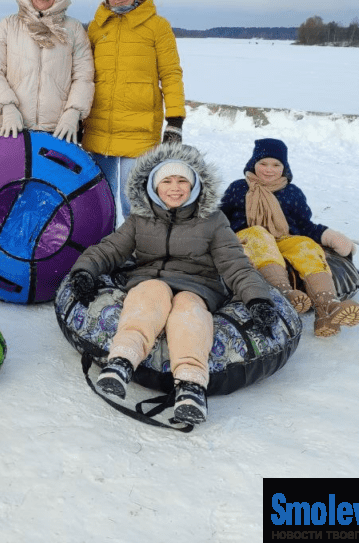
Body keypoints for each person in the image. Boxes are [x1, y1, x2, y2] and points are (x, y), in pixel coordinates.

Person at [66, 143, 277, 425]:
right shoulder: (141, 218)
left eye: (182, 181)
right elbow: (110, 249)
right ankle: (122, 360)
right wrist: (84, 271)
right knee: (149, 294)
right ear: (154, 185)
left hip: (197, 285)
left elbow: (235, 264)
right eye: (167, 181)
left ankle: (191, 385)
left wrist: (258, 299)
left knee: (188, 309)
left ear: (195, 185)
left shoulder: (213, 221)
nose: (175, 188)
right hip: (150, 279)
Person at [219, 138, 359, 337]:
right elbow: (221, 217)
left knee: (305, 244)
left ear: (284, 167)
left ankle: (327, 307)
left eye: (276, 165)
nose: (269, 170)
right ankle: (284, 293)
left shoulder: (292, 193)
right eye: (263, 163)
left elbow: (305, 225)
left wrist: (330, 236)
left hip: (283, 238)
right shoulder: (238, 188)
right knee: (259, 234)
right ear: (253, 164)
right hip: (249, 237)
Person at [82, 0, 186, 219]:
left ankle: (138, 242)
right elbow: (83, 75)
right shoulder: (96, 27)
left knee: (134, 198)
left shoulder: (157, 26)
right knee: (100, 198)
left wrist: (175, 121)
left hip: (139, 129)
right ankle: (104, 241)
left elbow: (171, 74)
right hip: (100, 126)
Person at [0, 0, 94, 143]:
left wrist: (73, 112)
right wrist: (7, 106)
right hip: (14, 129)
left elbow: (83, 76)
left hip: (59, 132)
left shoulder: (73, 29)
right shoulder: (8, 25)